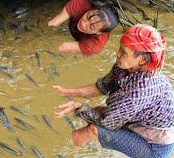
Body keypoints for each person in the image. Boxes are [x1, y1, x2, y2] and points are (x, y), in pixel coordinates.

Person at [53, 24, 174, 157]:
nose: (118, 54)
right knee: (98, 111)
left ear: (143, 59)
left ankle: (66, 153)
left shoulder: (138, 92)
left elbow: (106, 123)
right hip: (142, 122)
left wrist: (78, 107)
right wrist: (69, 92)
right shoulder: (124, 66)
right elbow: (103, 87)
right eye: (120, 48)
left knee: (93, 129)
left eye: (124, 52)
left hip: (155, 146)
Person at [48, 0, 119, 55]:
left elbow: (62, 47)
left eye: (91, 27)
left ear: (99, 32)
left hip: (85, 42)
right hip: (73, 26)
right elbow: (51, 24)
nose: (83, 24)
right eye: (88, 16)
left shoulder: (94, 45)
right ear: (92, 9)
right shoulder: (79, 4)